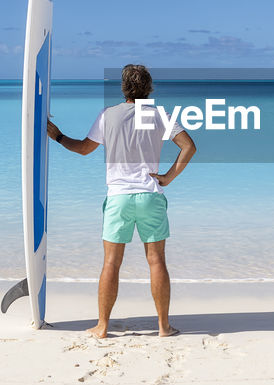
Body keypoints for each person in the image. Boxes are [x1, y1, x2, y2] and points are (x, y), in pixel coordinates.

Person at [47, 64, 196, 339]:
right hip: (150, 196)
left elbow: (82, 149)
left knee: (111, 264)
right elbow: (189, 146)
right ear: (149, 88)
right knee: (156, 261)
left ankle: (102, 326)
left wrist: (56, 135)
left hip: (118, 198)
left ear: (124, 88)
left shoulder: (109, 115)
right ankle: (164, 327)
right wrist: (168, 178)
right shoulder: (159, 115)